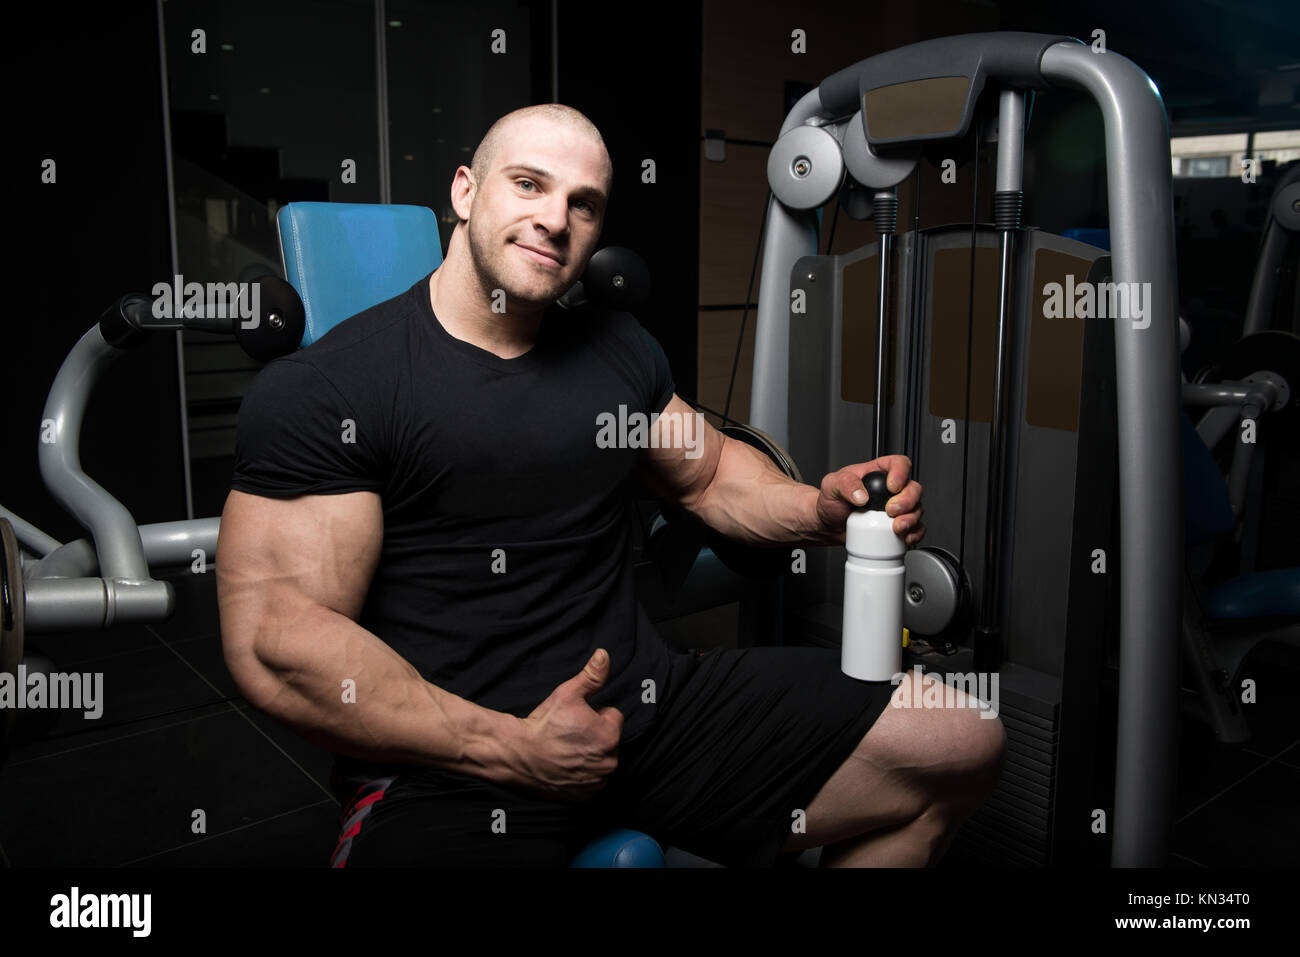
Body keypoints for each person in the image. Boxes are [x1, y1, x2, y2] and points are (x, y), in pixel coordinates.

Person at [215, 104, 1005, 868]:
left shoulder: (616, 350)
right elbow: (280, 640)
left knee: (959, 742)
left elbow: (711, 474)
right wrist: (510, 747)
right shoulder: (334, 387)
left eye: (582, 203)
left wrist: (818, 510)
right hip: (451, 764)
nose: (556, 219)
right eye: (528, 184)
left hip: (647, 711)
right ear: (464, 190)